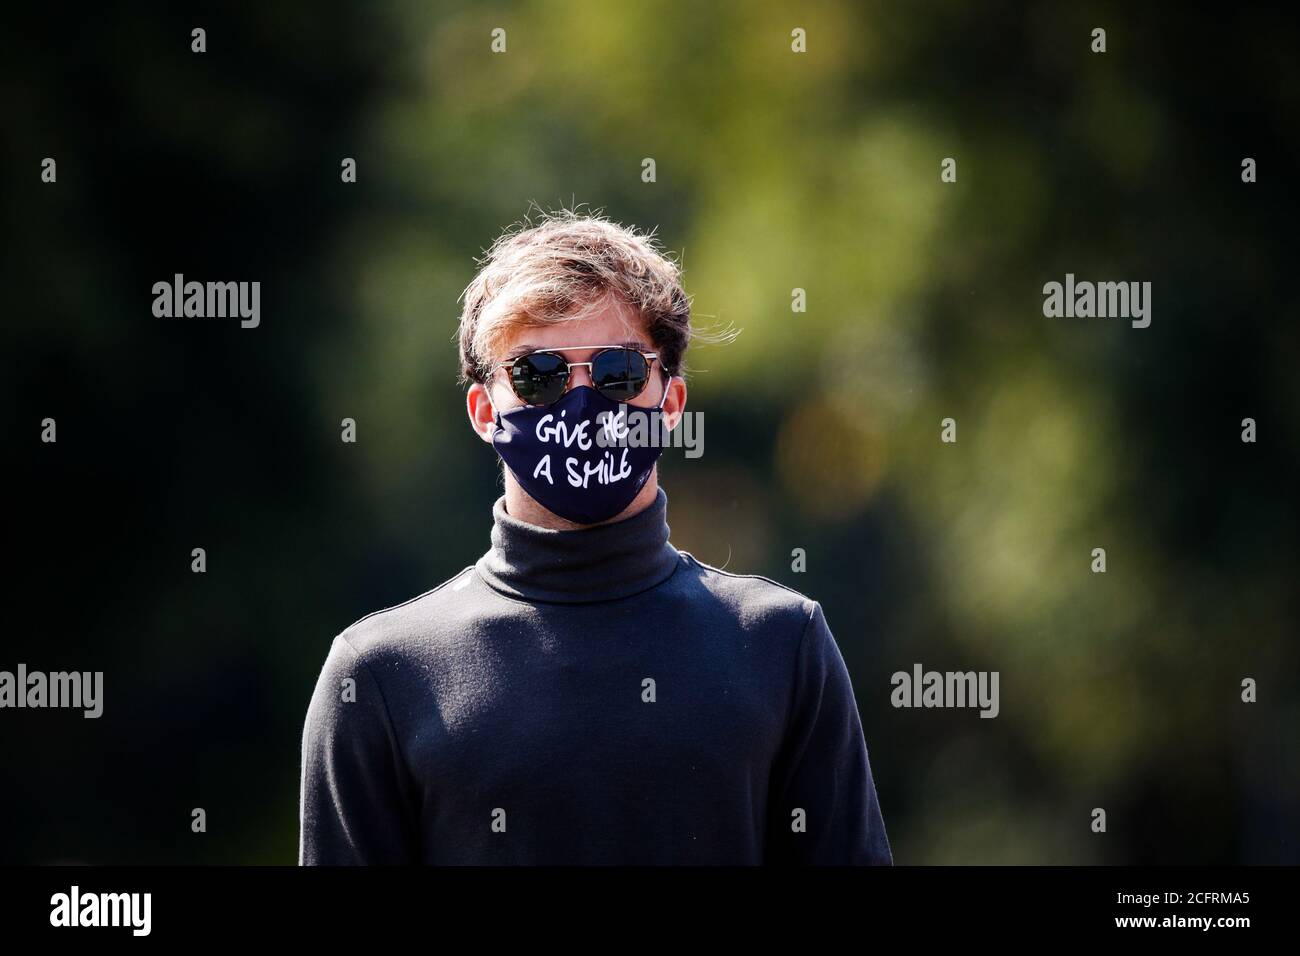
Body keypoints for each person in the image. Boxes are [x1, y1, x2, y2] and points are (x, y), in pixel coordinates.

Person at [298, 207, 893, 864]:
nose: (582, 402)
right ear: (483, 410)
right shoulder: (382, 676)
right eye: (538, 373)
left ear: (669, 402)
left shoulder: (781, 645)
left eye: (618, 371)